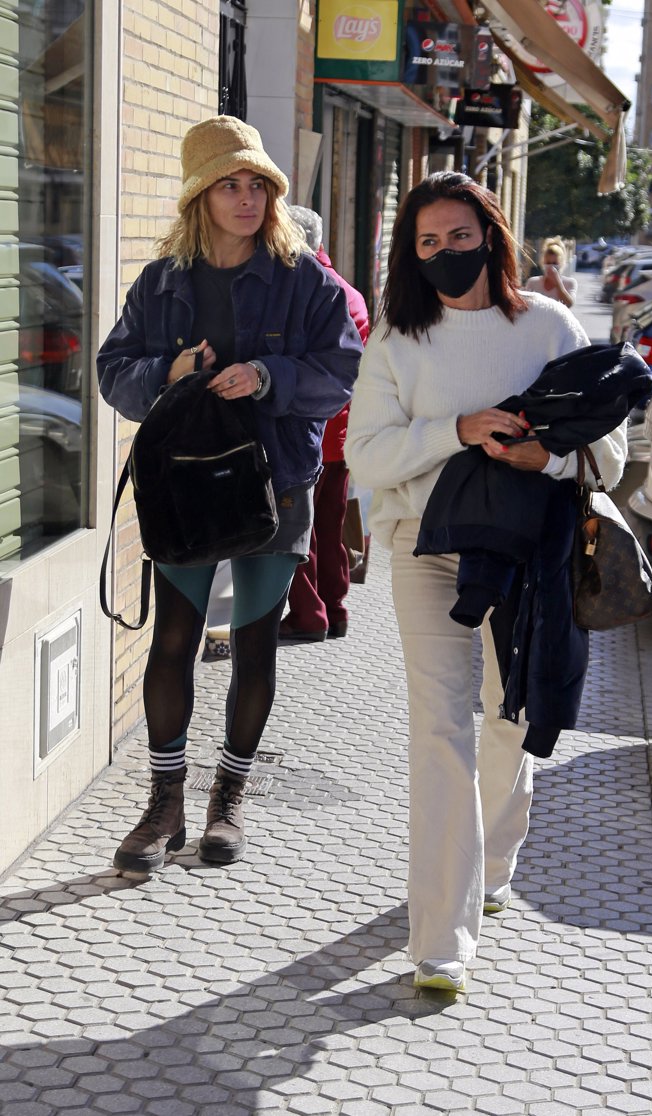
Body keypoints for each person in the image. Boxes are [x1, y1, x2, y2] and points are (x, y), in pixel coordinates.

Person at [345, 171, 626, 994]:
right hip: (426, 551)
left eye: (458, 236)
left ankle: (494, 859)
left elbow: (607, 454)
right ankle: (440, 937)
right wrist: (454, 431)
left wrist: (550, 455)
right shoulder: (397, 334)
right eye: (426, 242)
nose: (443, 252)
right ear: (410, 252)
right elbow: (367, 454)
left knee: (511, 716)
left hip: (528, 554)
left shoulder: (548, 326)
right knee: (440, 730)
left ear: (491, 236)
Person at [97, 115, 362, 877]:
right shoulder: (163, 281)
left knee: (253, 642)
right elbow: (117, 371)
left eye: (257, 186)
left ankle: (228, 802)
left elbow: (342, 370)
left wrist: (269, 377)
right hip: (183, 488)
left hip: (275, 485)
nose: (246, 199)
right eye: (229, 185)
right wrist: (169, 373)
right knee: (173, 639)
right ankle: (164, 804)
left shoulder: (304, 276)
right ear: (200, 197)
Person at [278, 205, 370, 641]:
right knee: (329, 525)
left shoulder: (307, 292)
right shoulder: (350, 291)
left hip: (310, 430)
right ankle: (335, 608)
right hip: (343, 432)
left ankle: (310, 613)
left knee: (300, 529)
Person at [524, 237, 576, 307]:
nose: (551, 266)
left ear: (561, 263)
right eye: (548, 263)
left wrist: (558, 284)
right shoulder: (533, 282)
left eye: (555, 263)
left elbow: (569, 304)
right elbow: (525, 305)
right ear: (543, 262)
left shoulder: (569, 283)